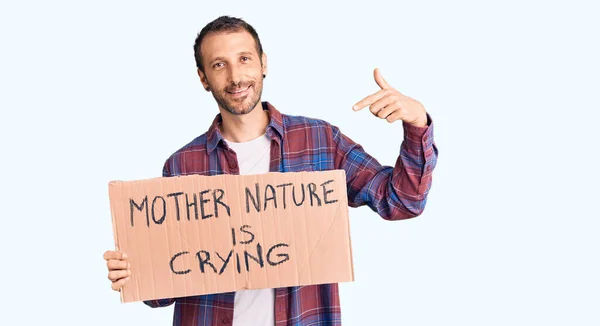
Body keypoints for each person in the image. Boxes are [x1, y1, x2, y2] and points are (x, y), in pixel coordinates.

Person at [103, 15, 438, 326]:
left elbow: (403, 202)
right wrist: (135, 273)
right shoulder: (181, 164)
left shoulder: (320, 140)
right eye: (219, 65)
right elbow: (167, 287)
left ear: (263, 63)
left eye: (244, 59)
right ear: (204, 78)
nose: (235, 77)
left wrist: (417, 122)